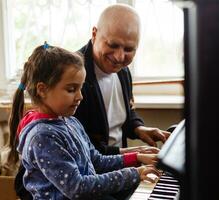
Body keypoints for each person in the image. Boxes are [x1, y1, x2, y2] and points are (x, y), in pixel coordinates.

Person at [10, 43, 160, 199]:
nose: (80, 96)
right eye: (71, 89)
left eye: (80, 88)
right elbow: (77, 187)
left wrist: (136, 157)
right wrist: (134, 174)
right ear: (42, 90)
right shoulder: (42, 137)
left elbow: (97, 161)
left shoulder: (71, 122)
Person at [74, 4, 171, 155]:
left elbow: (125, 114)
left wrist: (139, 128)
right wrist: (131, 154)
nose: (120, 57)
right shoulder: (72, 75)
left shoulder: (123, 71)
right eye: (113, 45)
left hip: (118, 168)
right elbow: (80, 147)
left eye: (129, 49)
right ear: (94, 34)